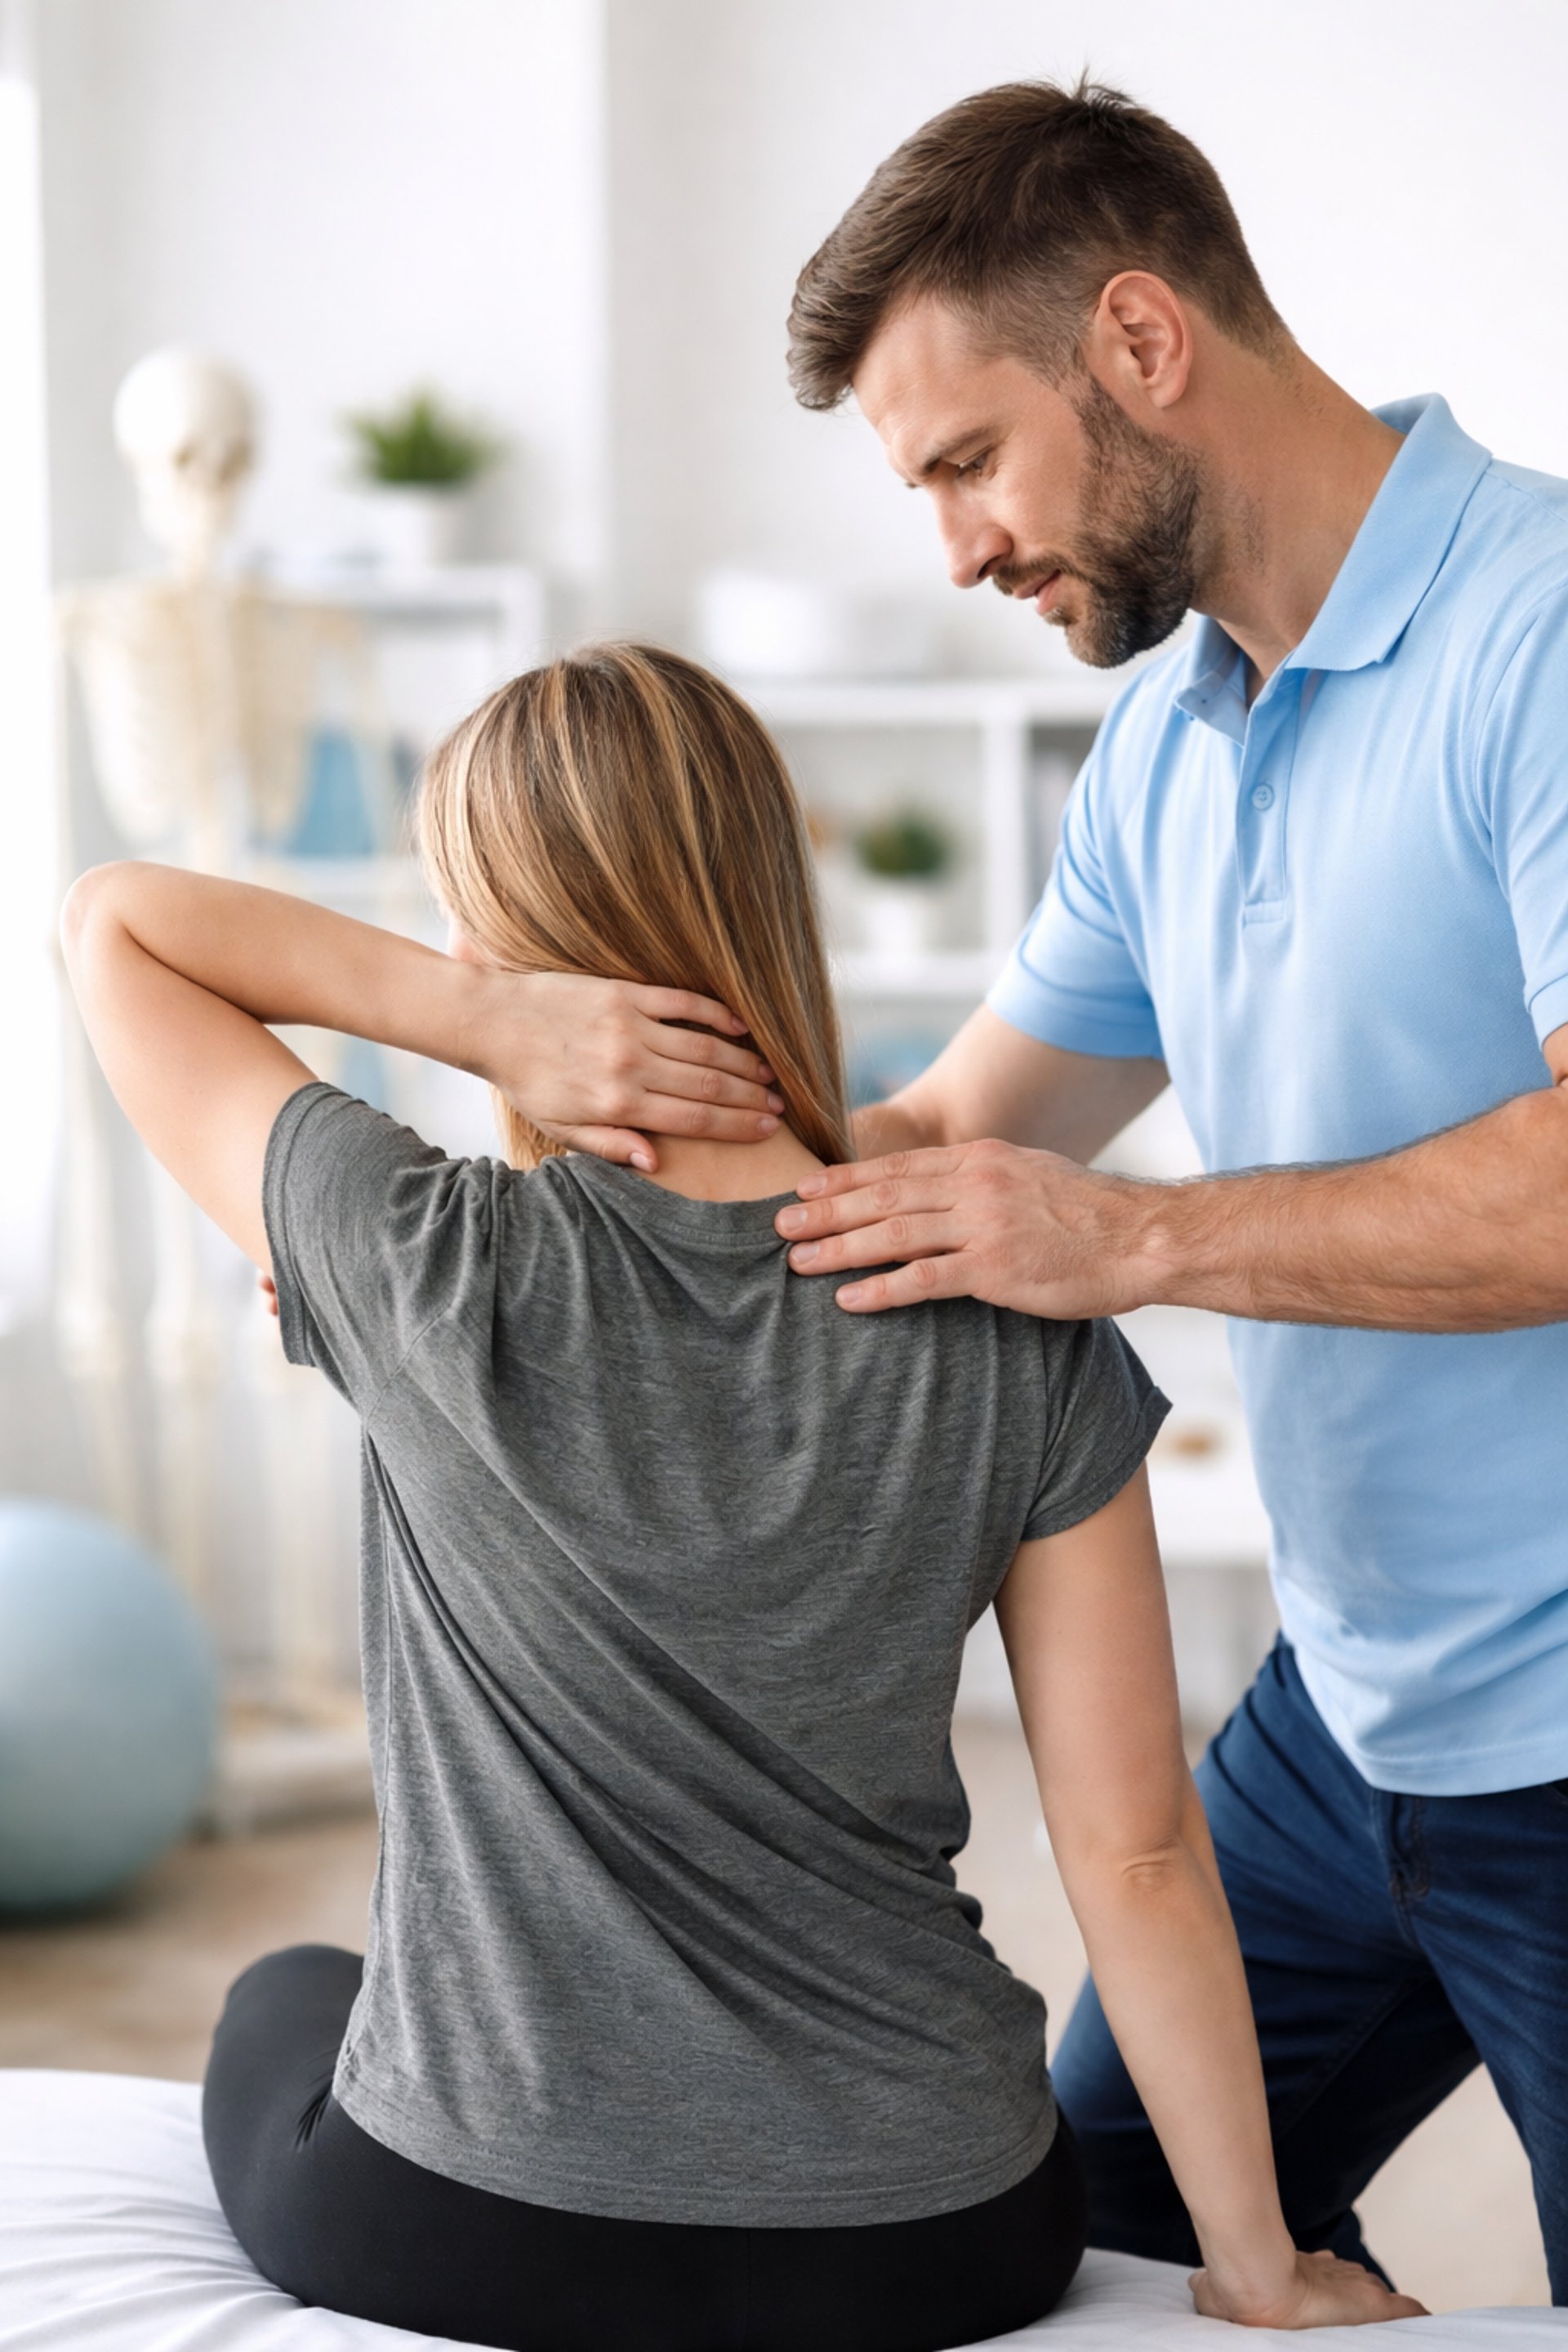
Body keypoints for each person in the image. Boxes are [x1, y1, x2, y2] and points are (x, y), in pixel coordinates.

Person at [61, 644, 1414, 2350]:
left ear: (508, 951)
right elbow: (1136, 1853)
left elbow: (113, 924)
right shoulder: (1003, 1304)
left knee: (284, 1995)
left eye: (468, 930)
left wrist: (471, 1020)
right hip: (942, 2234)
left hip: (474, 2224)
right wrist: (1258, 2259)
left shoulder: (422, 1254)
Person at [767, 77, 1568, 2301]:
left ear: (1136, 342)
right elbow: (956, 1134)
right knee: (1103, 2230)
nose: (953, 547)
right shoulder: (1171, 738)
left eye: (964, 463)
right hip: (1350, 1722)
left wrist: (1134, 1242)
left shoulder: (1546, 633)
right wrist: (557, 1213)